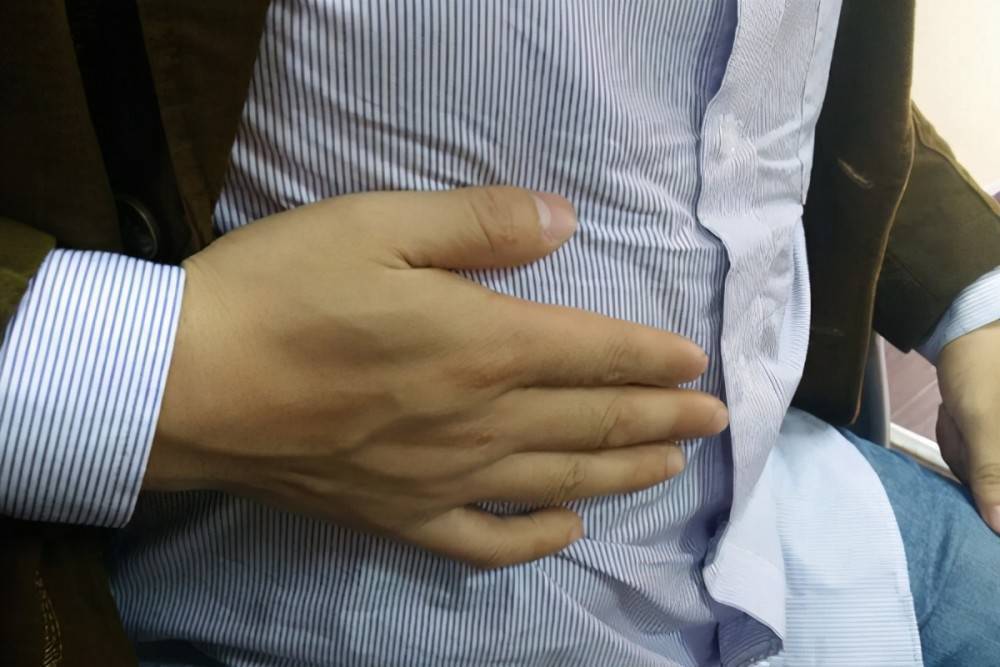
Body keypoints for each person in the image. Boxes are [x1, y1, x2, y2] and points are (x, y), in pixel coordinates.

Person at [2, 1, 999, 665]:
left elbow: (729, 73)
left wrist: (972, 287)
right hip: (264, 623)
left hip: (801, 537)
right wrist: (150, 371)